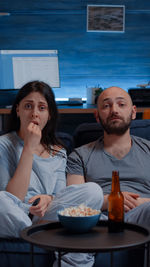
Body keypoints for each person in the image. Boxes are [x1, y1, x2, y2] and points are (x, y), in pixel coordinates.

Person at [0, 80, 103, 267]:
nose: (34, 114)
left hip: (48, 214)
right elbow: (12, 197)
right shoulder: (4, 145)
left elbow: (62, 197)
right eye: (28, 106)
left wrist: (48, 198)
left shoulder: (59, 152)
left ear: (49, 115)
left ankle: (40, 231)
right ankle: (44, 233)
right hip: (17, 214)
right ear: (17, 110)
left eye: (41, 108)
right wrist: (28, 148)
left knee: (92, 191)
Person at [67, 86, 150, 266]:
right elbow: (74, 201)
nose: (114, 110)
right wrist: (110, 201)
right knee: (75, 233)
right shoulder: (79, 156)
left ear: (133, 112)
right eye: (106, 106)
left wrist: (142, 203)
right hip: (99, 219)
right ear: (97, 116)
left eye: (121, 104)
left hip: (143, 215)